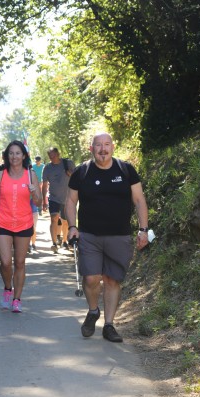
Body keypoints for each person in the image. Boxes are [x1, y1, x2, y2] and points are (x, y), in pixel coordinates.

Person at [65, 132, 149, 343]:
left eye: (106, 144)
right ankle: (93, 311)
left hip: (119, 235)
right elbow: (69, 201)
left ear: (113, 146)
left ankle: (109, 325)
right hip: (89, 235)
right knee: (91, 278)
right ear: (91, 148)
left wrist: (143, 229)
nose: (103, 149)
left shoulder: (126, 170)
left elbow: (139, 200)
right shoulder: (82, 172)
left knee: (112, 280)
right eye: (98, 145)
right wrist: (72, 226)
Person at [0, 141, 42, 313]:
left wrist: (34, 193)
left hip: (24, 223)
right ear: (7, 156)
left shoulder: (30, 175)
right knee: (5, 262)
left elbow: (38, 201)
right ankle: (7, 288)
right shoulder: (0, 175)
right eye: (11, 153)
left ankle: (17, 298)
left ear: (23, 156)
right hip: (2, 222)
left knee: (20, 262)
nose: (14, 156)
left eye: (18, 153)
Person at [41, 147, 75, 253]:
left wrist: (71, 174)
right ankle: (54, 243)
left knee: (65, 221)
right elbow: (44, 185)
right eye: (50, 157)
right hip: (53, 197)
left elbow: (78, 178)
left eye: (54, 156)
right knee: (54, 218)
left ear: (58, 154)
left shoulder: (68, 163)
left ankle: (64, 241)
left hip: (67, 198)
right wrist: (44, 201)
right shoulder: (47, 168)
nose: (52, 158)